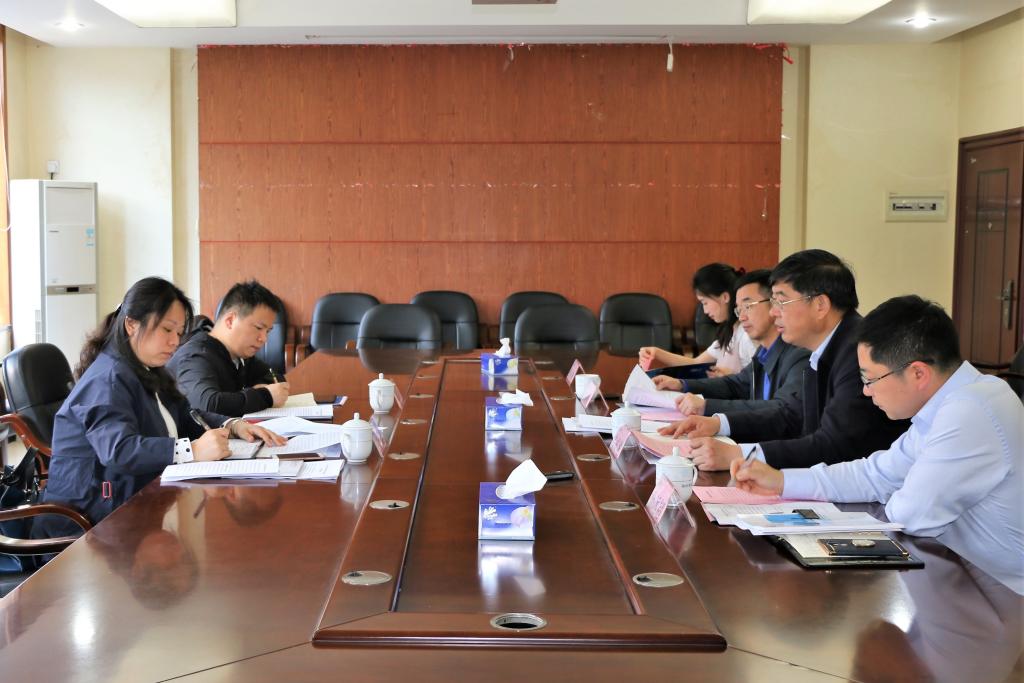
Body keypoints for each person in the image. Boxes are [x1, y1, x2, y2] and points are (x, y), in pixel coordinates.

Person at [733, 295, 1023, 595]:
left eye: (870, 379)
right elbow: (876, 474)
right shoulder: (950, 402)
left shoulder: (970, 411)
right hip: (965, 579)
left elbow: (911, 515)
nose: (866, 391)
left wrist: (896, 489)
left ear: (918, 373)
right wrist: (781, 481)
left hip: (1006, 598)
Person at [34, 277, 286, 541]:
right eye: (167, 330)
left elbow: (186, 414)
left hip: (135, 506)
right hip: (89, 526)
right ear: (132, 324)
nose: (175, 342)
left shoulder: (145, 368)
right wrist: (192, 450)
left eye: (179, 332)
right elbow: (119, 450)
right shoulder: (108, 379)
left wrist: (232, 425)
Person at [662, 249, 908, 471]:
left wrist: (740, 455)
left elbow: (833, 445)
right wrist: (719, 423)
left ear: (820, 305)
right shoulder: (828, 346)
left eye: (781, 301)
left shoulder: (858, 353)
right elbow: (792, 415)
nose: (773, 312)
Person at [650, 269, 810, 417]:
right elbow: (735, 384)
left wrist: (707, 406)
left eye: (748, 306)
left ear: (774, 304)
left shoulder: (799, 355)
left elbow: (780, 410)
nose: (742, 317)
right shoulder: (763, 353)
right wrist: (682, 385)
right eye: (739, 309)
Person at [168, 280, 290, 416]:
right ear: (230, 321)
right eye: (258, 328)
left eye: (267, 331)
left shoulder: (239, 355)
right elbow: (207, 405)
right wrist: (265, 396)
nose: (264, 338)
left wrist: (263, 388)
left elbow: (273, 376)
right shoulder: (196, 356)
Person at [639, 262, 757, 377]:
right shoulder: (729, 332)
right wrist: (657, 352)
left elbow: (759, 381)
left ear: (725, 297)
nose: (705, 311)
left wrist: (731, 376)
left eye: (705, 302)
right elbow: (696, 362)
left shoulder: (746, 335)